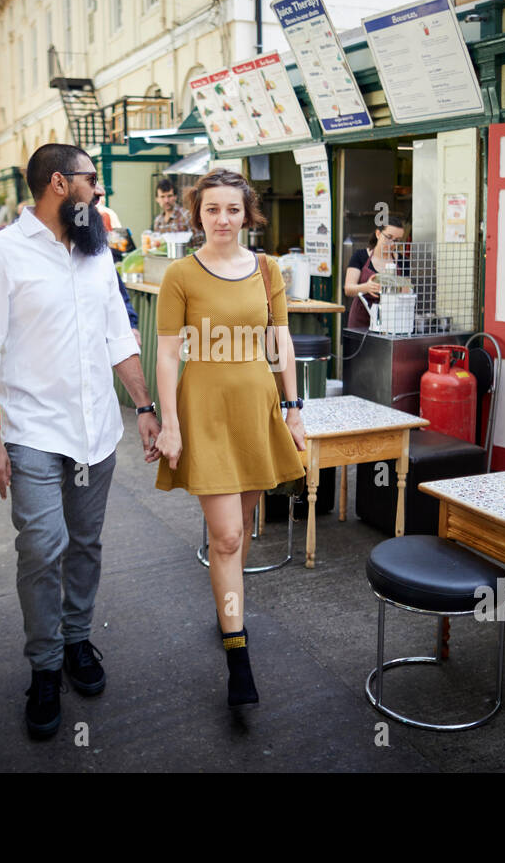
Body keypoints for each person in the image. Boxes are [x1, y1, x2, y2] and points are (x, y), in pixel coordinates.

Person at [0, 143, 161, 741]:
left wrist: (144, 407)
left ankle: (78, 641)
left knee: (86, 544)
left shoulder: (96, 252)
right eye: (91, 180)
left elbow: (118, 337)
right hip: (31, 434)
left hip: (96, 430)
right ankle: (45, 665)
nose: (98, 191)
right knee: (42, 547)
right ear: (58, 183)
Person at [153, 168, 306, 710]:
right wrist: (169, 422)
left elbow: (280, 342)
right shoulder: (180, 274)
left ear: (248, 215)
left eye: (232, 210)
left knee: (239, 530)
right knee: (226, 537)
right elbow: (168, 353)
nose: (222, 219)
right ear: (198, 214)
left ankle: (227, 612)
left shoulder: (268, 269)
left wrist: (293, 410)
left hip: (256, 408)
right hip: (204, 409)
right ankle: (238, 657)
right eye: (212, 209)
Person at [344, 214, 407, 330]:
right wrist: (366, 287)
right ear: (378, 234)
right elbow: (348, 289)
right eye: (388, 237)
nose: (392, 244)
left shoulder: (403, 261)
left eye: (397, 240)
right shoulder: (360, 256)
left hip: (391, 321)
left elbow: (407, 291)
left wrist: (398, 288)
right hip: (361, 320)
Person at [153, 177, 199, 248]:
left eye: (169, 196)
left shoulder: (187, 216)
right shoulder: (158, 221)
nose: (166, 200)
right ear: (157, 199)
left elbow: (199, 244)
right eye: (162, 197)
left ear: (175, 197)